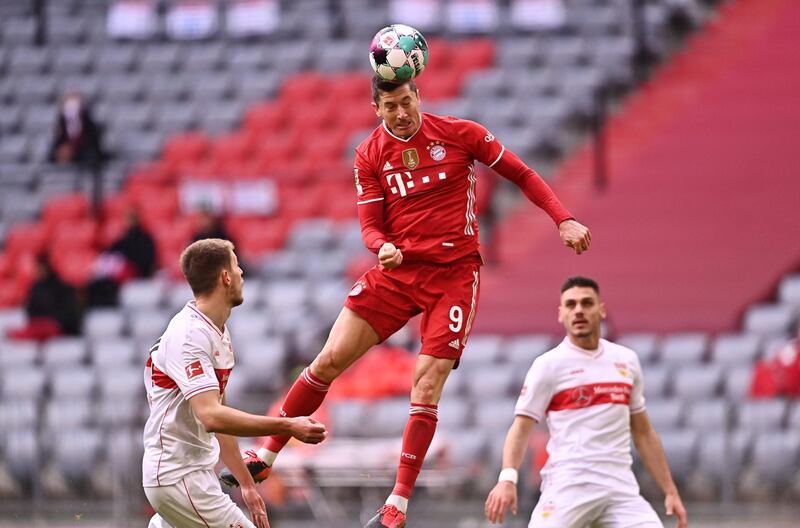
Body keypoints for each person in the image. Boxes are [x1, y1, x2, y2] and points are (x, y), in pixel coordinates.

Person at [222, 76, 591, 528]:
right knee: (329, 358)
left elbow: (522, 173)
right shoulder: (370, 154)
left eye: (407, 101)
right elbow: (370, 225)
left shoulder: (461, 134)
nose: (401, 112)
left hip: (453, 277)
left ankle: (397, 503)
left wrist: (563, 219)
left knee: (426, 385)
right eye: (391, 105)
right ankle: (266, 454)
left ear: (419, 96)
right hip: (397, 272)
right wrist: (381, 247)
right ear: (376, 108)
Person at [142, 238, 327, 528]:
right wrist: (288, 426)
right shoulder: (189, 336)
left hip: (191, 473)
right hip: (179, 476)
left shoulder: (216, 330)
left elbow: (221, 415)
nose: (242, 273)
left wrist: (246, 483)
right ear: (225, 277)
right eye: (237, 266)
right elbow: (212, 417)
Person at [485, 276, 688, 528]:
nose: (578, 310)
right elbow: (520, 428)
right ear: (560, 314)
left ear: (601, 309)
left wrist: (670, 490)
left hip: (619, 490)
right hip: (568, 486)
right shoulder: (548, 365)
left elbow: (643, 432)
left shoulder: (626, 360)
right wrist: (507, 478)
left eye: (586, 303)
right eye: (570, 305)